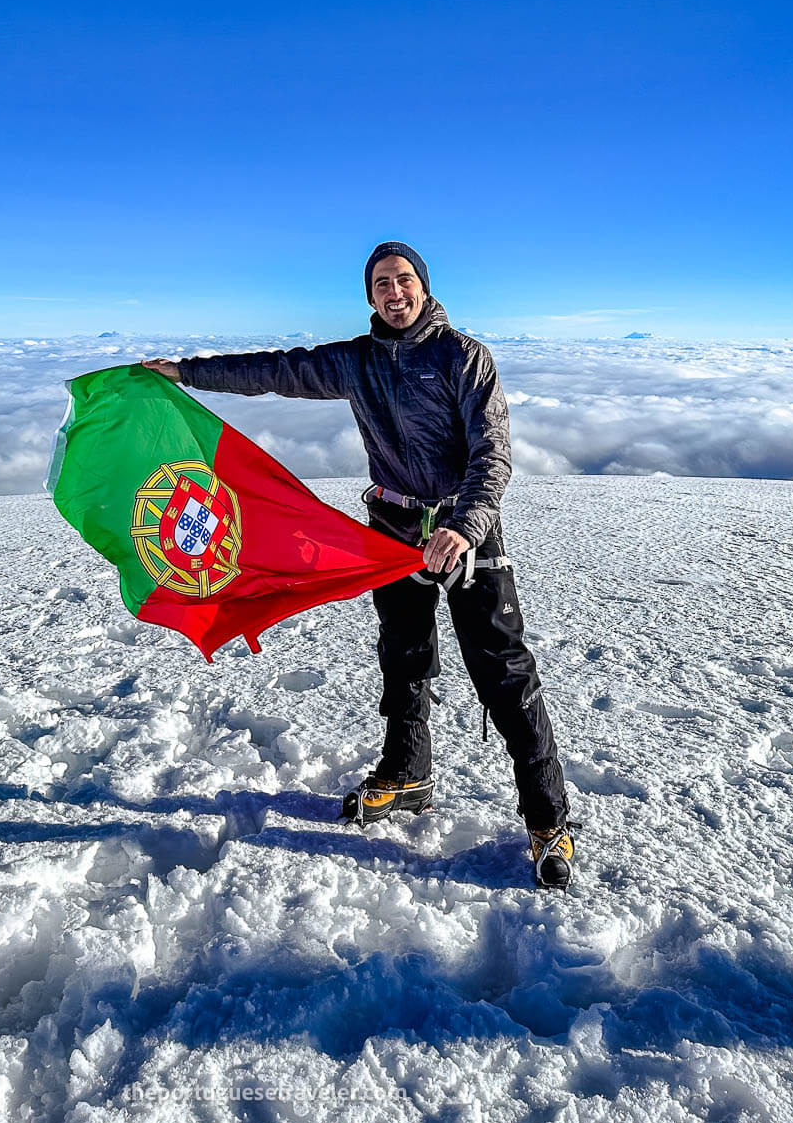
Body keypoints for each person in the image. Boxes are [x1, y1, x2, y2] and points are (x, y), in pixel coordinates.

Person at [142, 241, 575, 889]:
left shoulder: (462, 357)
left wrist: (462, 530)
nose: (393, 292)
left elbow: (493, 457)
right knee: (402, 658)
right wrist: (183, 373)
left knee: (504, 675)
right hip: (393, 532)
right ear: (369, 295)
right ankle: (407, 774)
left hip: (464, 534)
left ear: (422, 287)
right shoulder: (356, 362)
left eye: (403, 280)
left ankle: (548, 822)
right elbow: (273, 370)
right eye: (380, 284)